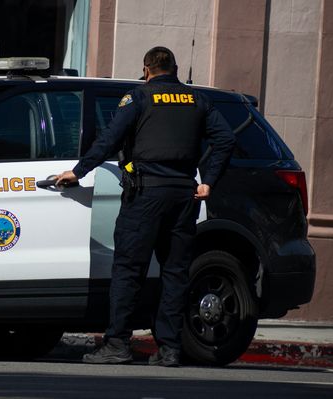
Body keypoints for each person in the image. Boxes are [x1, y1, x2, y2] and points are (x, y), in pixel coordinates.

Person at [55, 46, 235, 367]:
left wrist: (78, 171)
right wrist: (208, 180)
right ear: (175, 68)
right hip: (184, 196)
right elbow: (226, 139)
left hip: (145, 197)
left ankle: (118, 344)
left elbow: (110, 138)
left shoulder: (138, 98)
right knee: (175, 273)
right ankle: (169, 349)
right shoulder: (198, 100)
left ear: (147, 69)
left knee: (128, 269)